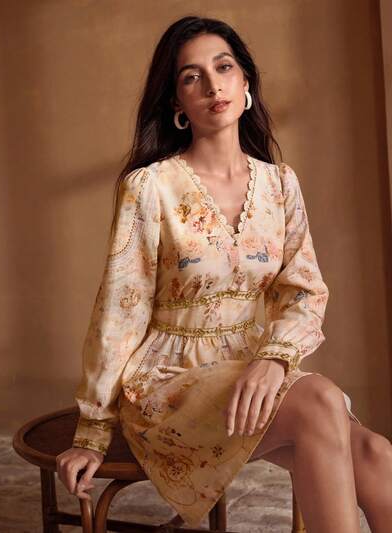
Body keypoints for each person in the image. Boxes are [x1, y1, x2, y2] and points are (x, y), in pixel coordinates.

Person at [56, 15, 392, 532]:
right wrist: (92, 432)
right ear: (177, 102)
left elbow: (304, 292)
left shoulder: (280, 184)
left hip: (252, 374)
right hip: (168, 384)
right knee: (320, 400)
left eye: (224, 67)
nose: (213, 86)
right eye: (192, 77)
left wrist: (275, 358)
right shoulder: (150, 187)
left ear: (246, 81)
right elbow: (119, 312)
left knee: (376, 453)